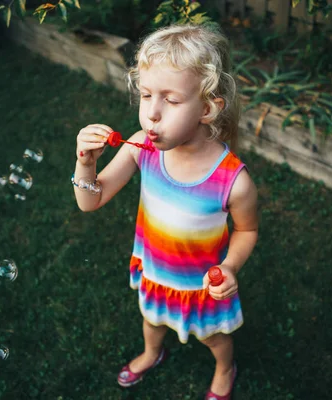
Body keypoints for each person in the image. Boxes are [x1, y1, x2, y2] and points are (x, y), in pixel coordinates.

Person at [72, 23, 258, 400]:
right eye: (145, 95)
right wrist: (85, 164)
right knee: (152, 322)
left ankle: (225, 369)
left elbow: (247, 231)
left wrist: (232, 267)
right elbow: (90, 200)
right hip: (156, 274)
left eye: (171, 100)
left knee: (214, 338)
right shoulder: (141, 148)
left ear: (207, 108)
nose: (152, 114)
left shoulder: (233, 181)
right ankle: (151, 353)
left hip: (201, 286)